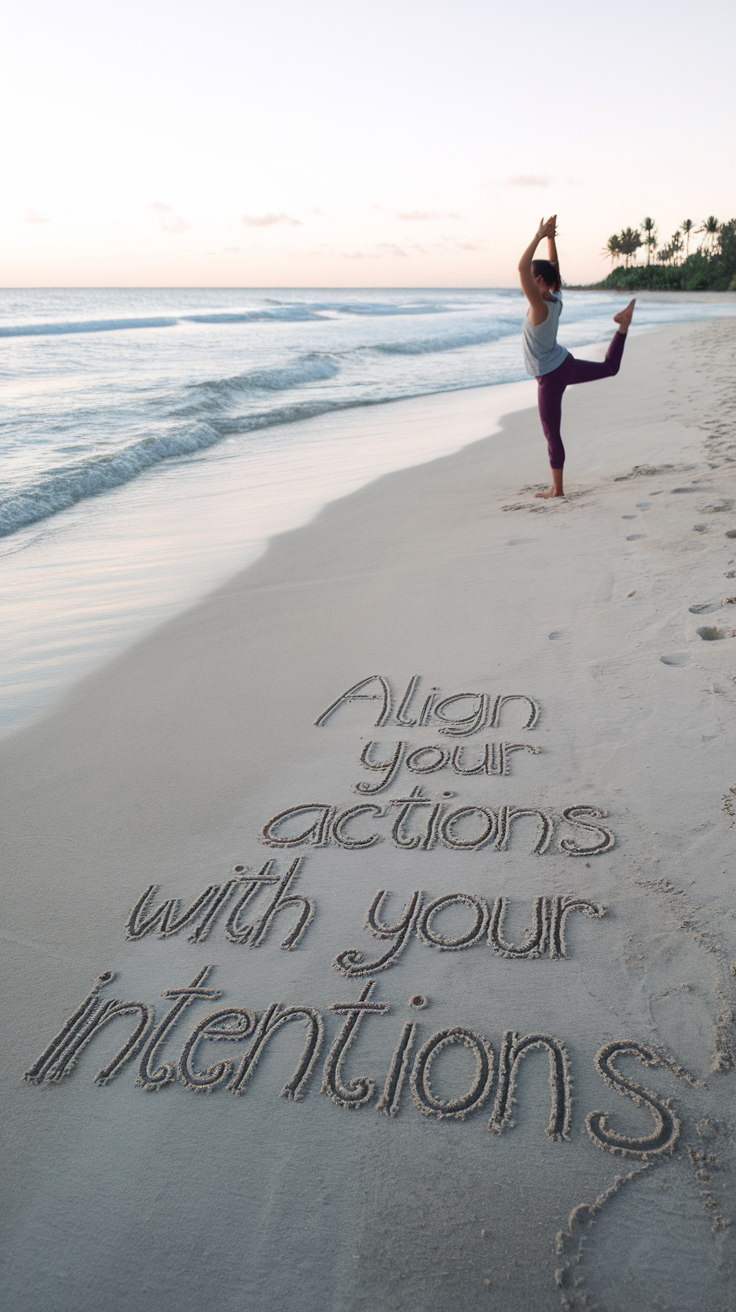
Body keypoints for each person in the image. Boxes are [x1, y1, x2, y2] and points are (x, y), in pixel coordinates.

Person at [518, 216, 635, 498]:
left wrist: (537, 236)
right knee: (609, 368)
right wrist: (551, 238)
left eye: (533, 280)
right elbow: (554, 270)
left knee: (551, 433)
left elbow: (521, 267)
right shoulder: (555, 298)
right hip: (565, 364)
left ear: (538, 280)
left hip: (550, 376)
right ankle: (622, 325)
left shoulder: (539, 306)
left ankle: (557, 489)